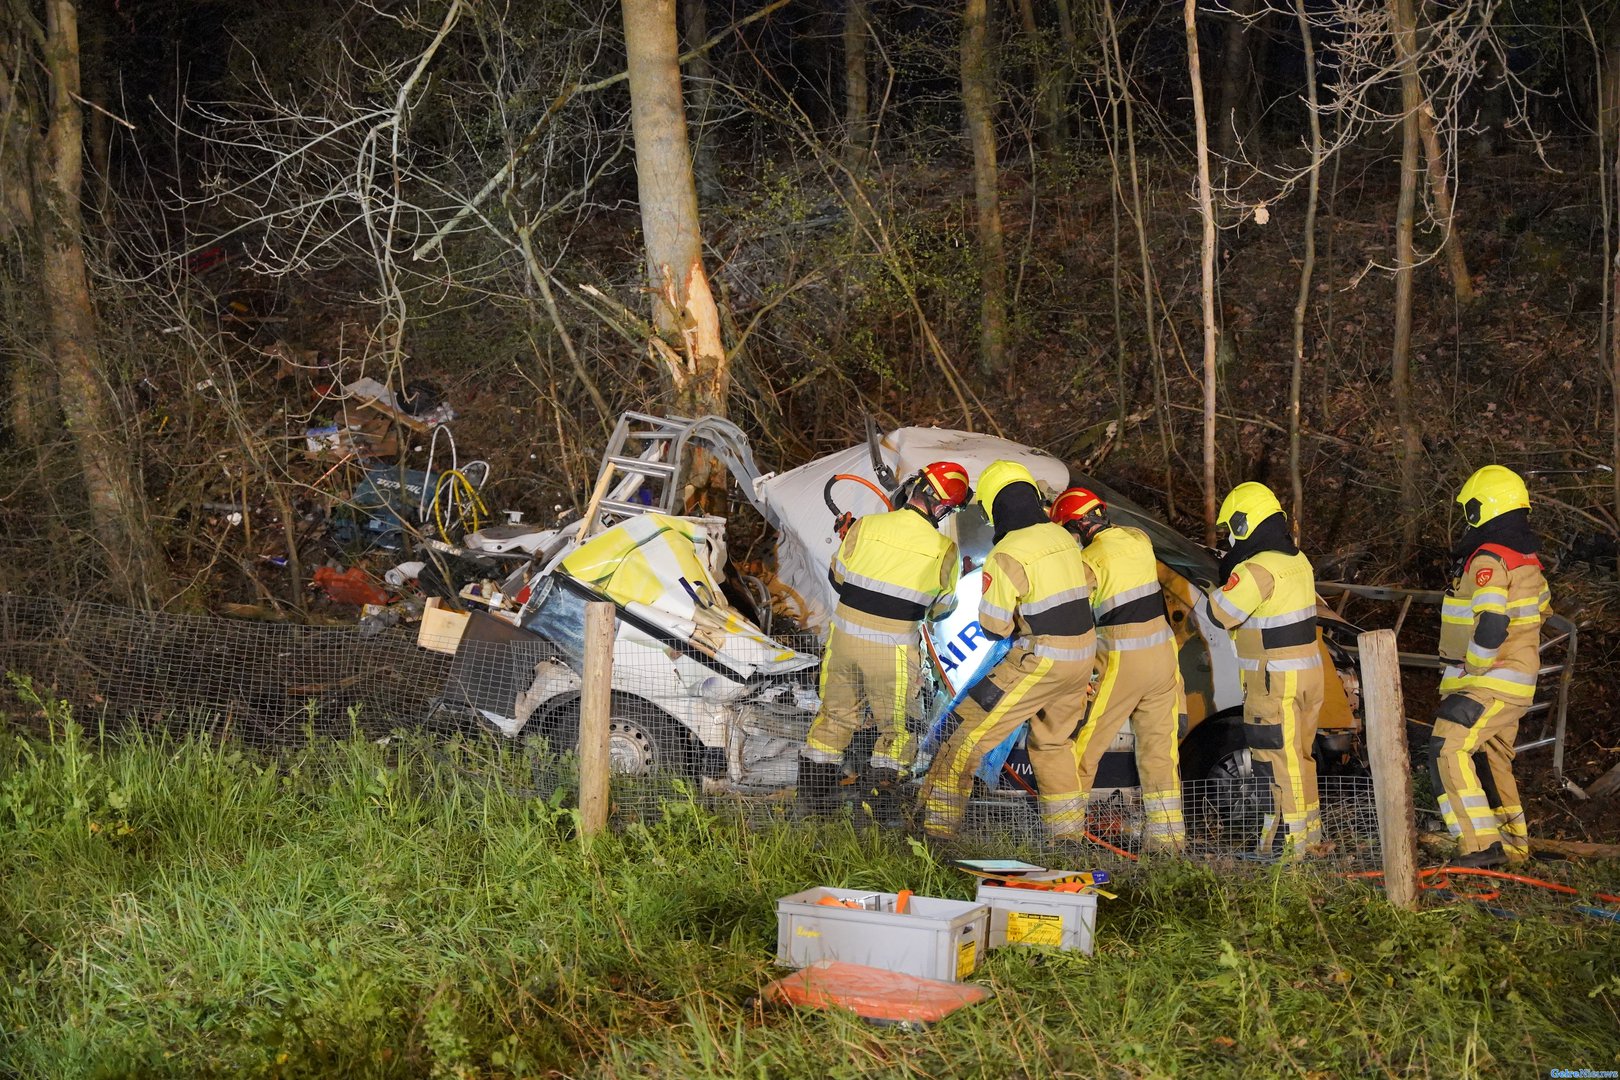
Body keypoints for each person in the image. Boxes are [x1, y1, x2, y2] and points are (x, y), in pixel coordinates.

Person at [919, 461, 1096, 841]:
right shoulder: (1063, 539)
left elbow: (994, 625)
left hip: (1040, 660)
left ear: (994, 507)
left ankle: (935, 834)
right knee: (1053, 745)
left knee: (964, 734)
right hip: (1081, 660)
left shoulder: (1007, 553)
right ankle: (1068, 840)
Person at [798, 461, 972, 818]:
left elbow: (839, 579)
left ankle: (814, 809)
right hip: (891, 655)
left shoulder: (865, 526)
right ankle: (878, 819)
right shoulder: (945, 551)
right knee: (900, 731)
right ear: (943, 507)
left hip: (843, 644)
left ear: (916, 487)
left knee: (833, 719)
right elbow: (941, 611)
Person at [1050, 487, 1186, 852]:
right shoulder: (1138, 539)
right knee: (1160, 753)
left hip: (1124, 660)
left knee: (1084, 747)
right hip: (1164, 656)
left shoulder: (1089, 561)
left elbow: (1068, 608)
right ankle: (1168, 842)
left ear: (1079, 526)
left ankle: (1065, 835)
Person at [1431, 464, 1549, 868]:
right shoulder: (1527, 559)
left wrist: (1476, 667)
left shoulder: (1489, 559)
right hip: (1516, 679)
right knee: (1490, 760)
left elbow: (1493, 622)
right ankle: (1515, 851)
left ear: (1483, 509)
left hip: (1488, 679)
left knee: (1448, 746)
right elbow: (1541, 609)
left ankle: (1479, 846)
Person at [1204, 482, 1323, 859]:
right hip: (1308, 675)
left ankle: (1286, 850)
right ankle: (1308, 840)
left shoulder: (1256, 568)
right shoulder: (1297, 560)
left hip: (1274, 682)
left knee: (1274, 762)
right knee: (1300, 759)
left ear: (1243, 524)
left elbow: (1220, 613)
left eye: (1230, 530)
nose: (1229, 539)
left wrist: (1224, 574)